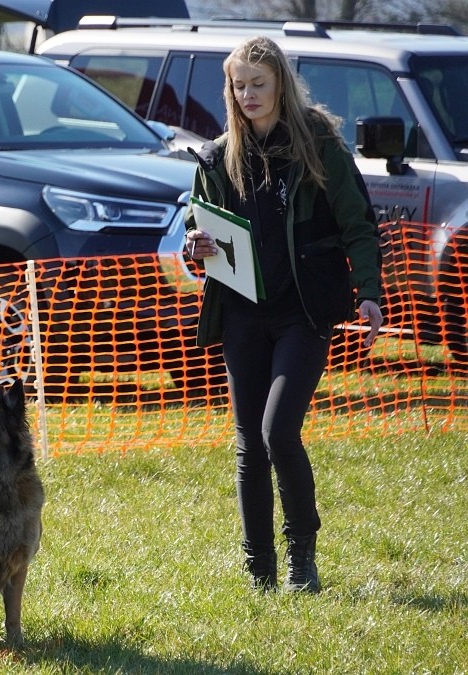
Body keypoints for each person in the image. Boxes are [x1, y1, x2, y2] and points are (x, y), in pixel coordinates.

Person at [184, 36, 383, 593]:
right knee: (249, 443)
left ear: (281, 86)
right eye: (238, 86)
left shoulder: (319, 144)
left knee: (278, 432)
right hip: (242, 315)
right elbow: (195, 234)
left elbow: (359, 225)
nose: (247, 95)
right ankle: (259, 570)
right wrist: (193, 247)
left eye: (258, 84)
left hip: (304, 313)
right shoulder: (217, 155)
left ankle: (302, 559)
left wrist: (369, 291)